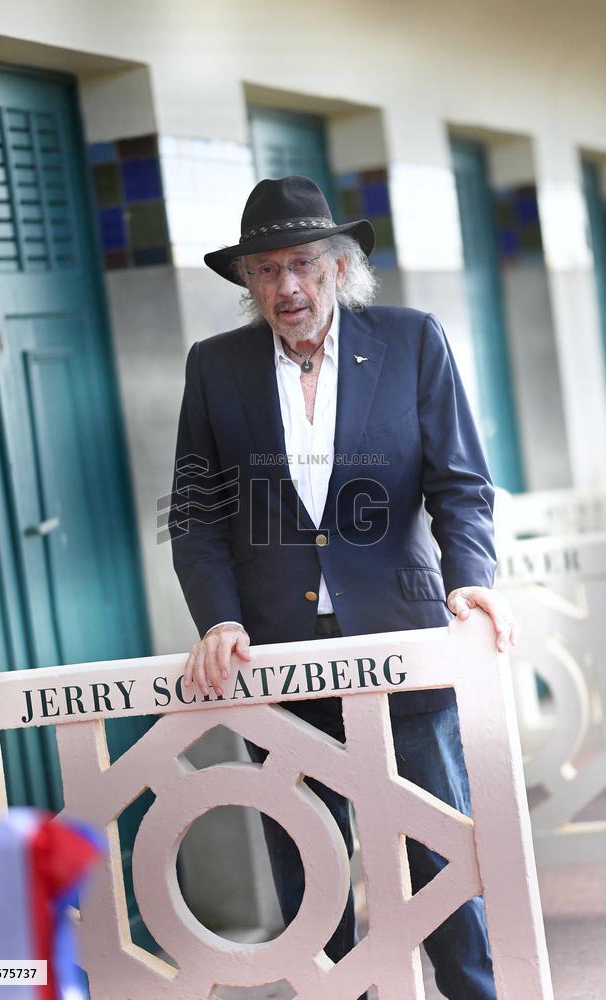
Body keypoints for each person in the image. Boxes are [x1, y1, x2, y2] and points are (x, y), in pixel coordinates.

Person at [169, 174, 517, 999]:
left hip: (401, 642)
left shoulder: (410, 340)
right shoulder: (215, 368)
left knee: (439, 856)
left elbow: (461, 486)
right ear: (248, 283)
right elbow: (196, 516)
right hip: (276, 658)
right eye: (265, 271)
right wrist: (216, 619)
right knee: (308, 871)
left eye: (301, 265)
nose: (286, 287)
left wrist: (469, 582)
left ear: (337, 267)